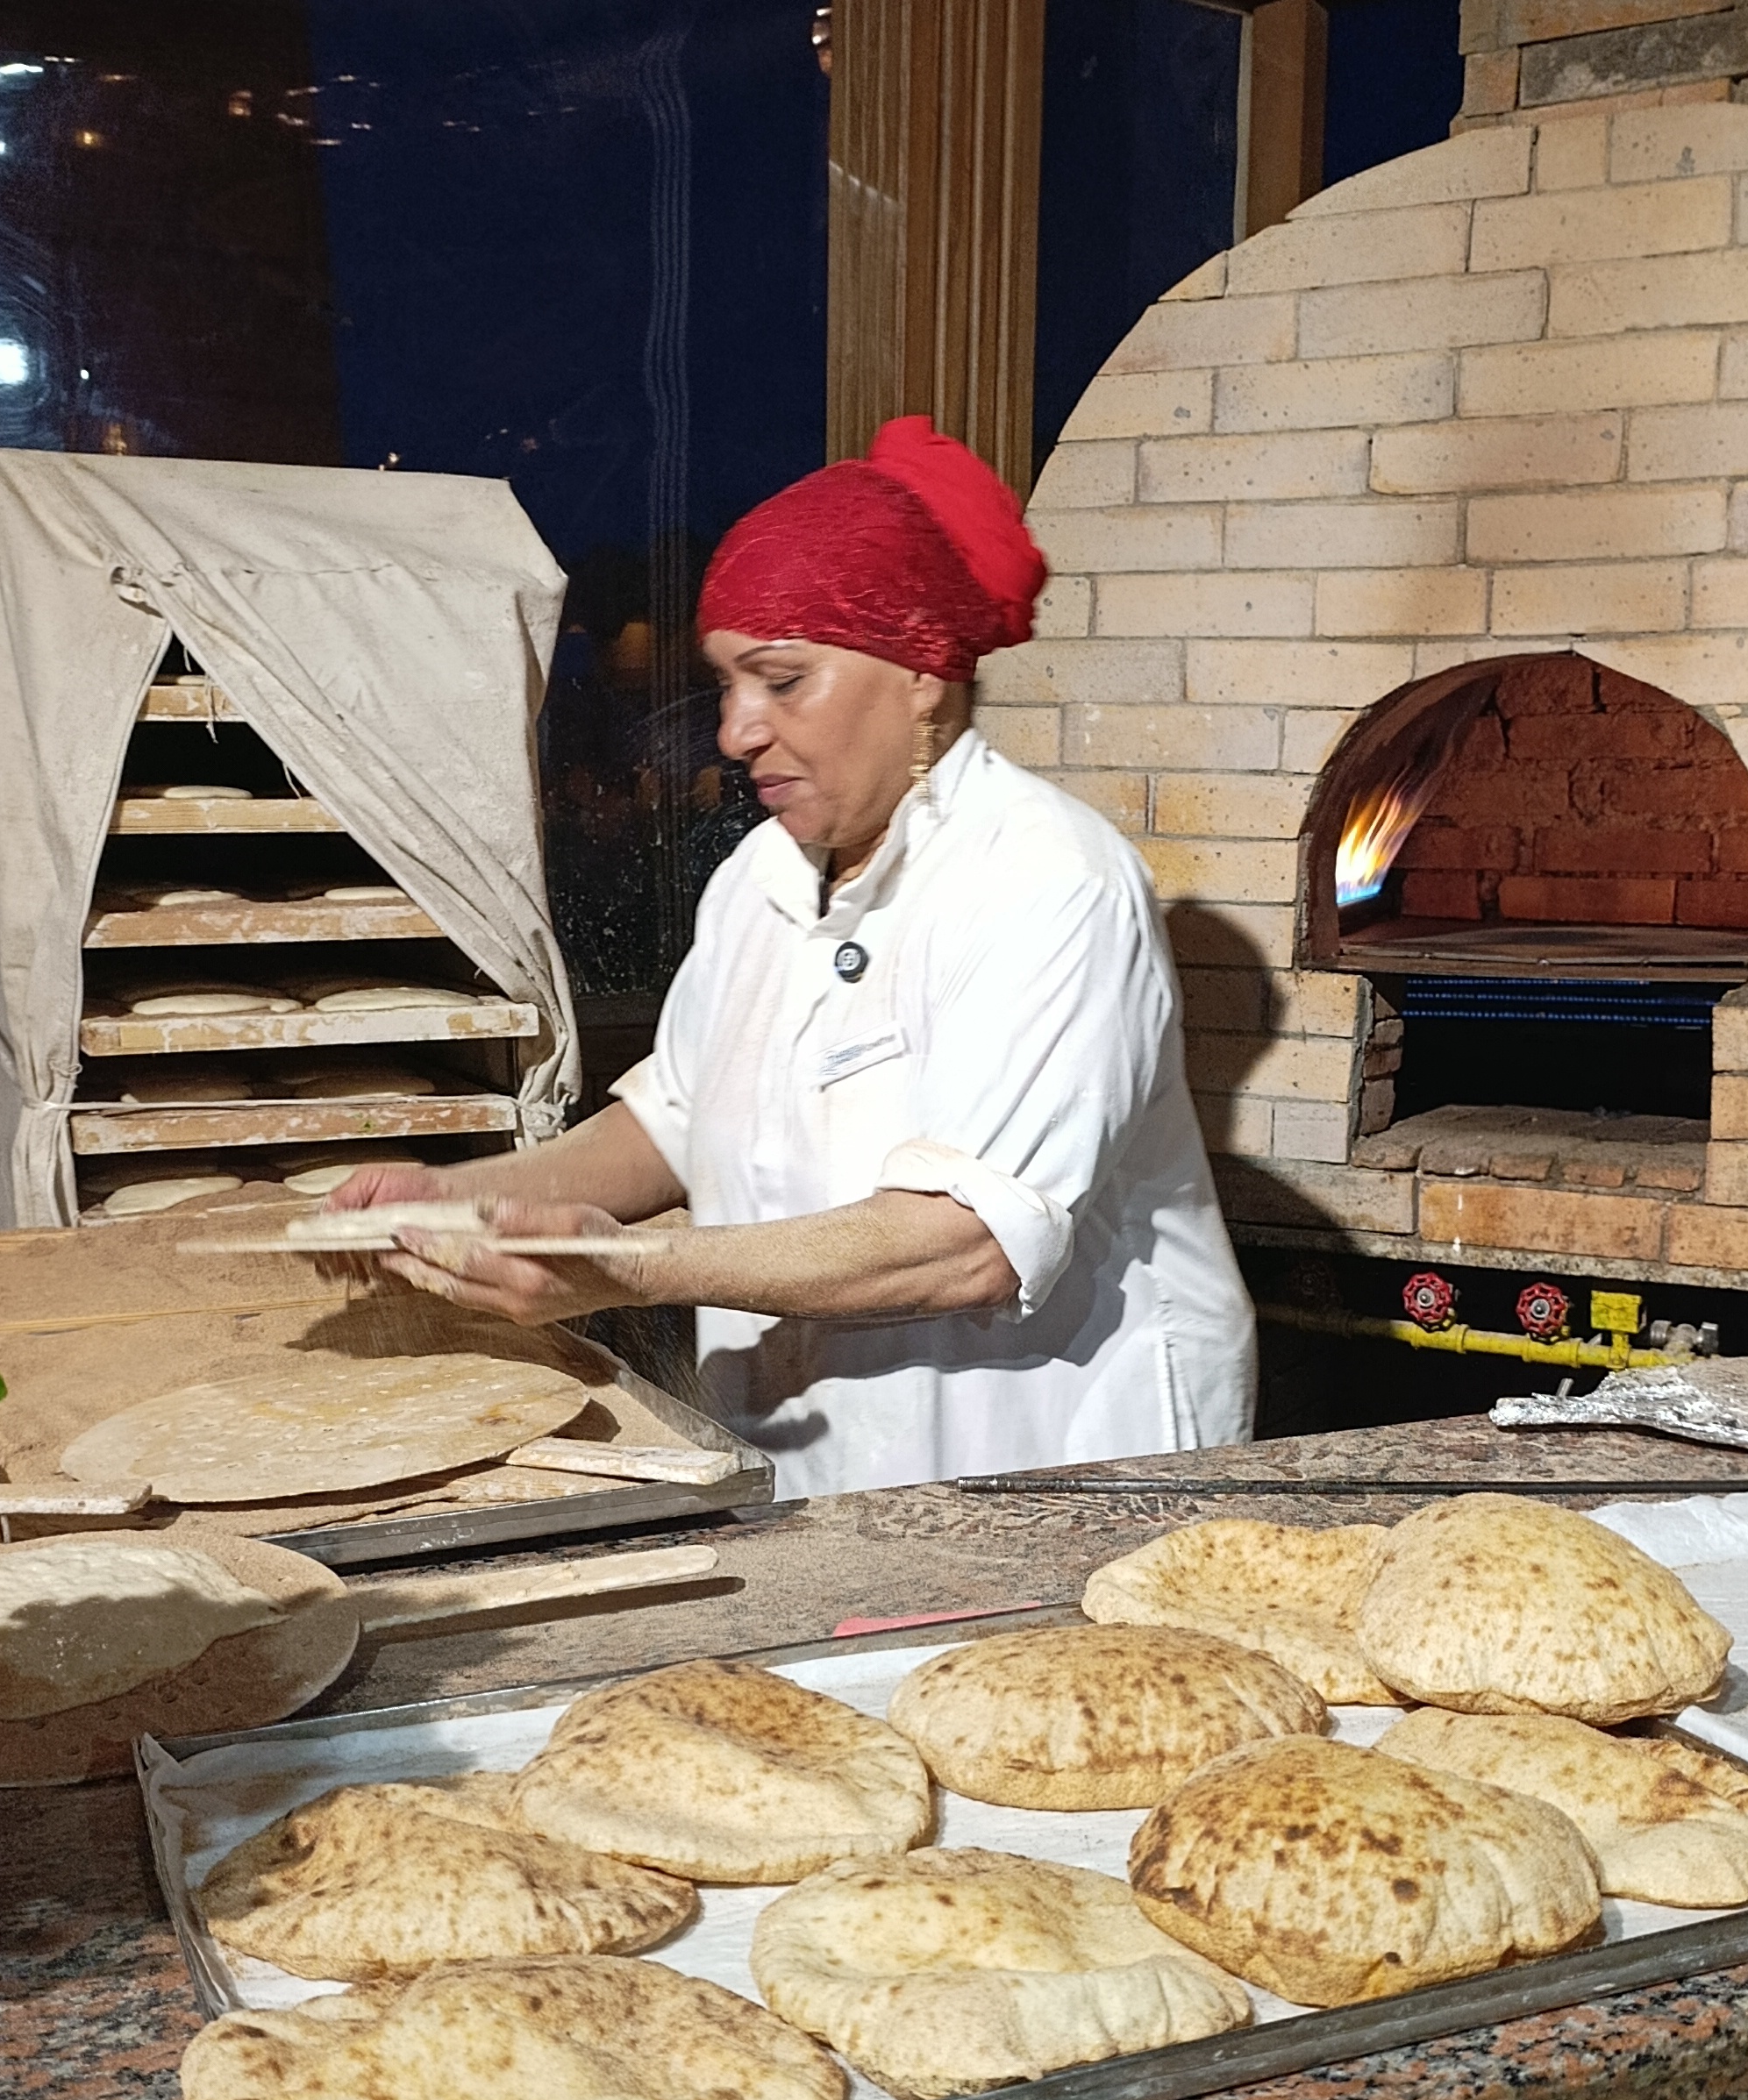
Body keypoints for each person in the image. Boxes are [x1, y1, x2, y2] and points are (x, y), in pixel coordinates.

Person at [332, 416, 1255, 1498]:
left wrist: (624, 1266)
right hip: (821, 1433)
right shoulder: (761, 877)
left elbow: (967, 1243)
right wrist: (453, 1200)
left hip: (1052, 1441)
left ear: (921, 672)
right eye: (728, 683)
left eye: (781, 680)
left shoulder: (1048, 881)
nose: (735, 731)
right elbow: (676, 1120)